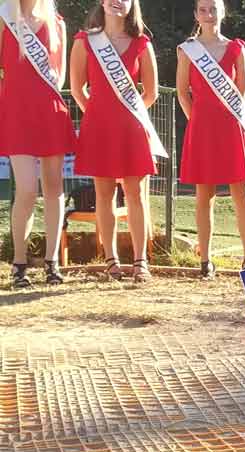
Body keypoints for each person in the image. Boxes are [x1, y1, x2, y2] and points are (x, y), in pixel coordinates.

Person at [69, 0, 160, 282]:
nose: (117, 1)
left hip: (133, 129)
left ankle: (140, 261)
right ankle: (111, 261)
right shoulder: (85, 41)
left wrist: (130, 116)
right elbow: (77, 89)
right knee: (103, 195)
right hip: (99, 130)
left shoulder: (142, 43)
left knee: (135, 194)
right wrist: (98, 115)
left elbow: (151, 93)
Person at [176, 0, 245, 278]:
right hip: (202, 130)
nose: (208, 15)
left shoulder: (236, 49)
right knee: (203, 195)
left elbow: (242, 90)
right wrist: (196, 121)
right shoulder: (188, 50)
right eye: (203, 10)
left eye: (213, 9)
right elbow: (182, 91)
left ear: (222, 12)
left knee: (240, 193)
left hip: (232, 127)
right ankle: (206, 261)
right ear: (196, 14)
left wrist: (231, 118)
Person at [0, 0, 76, 288]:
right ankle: (19, 264)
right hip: (16, 113)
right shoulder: (5, 17)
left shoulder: (57, 23)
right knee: (28, 189)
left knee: (54, 188)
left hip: (50, 112)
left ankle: (51, 262)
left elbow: (61, 74)